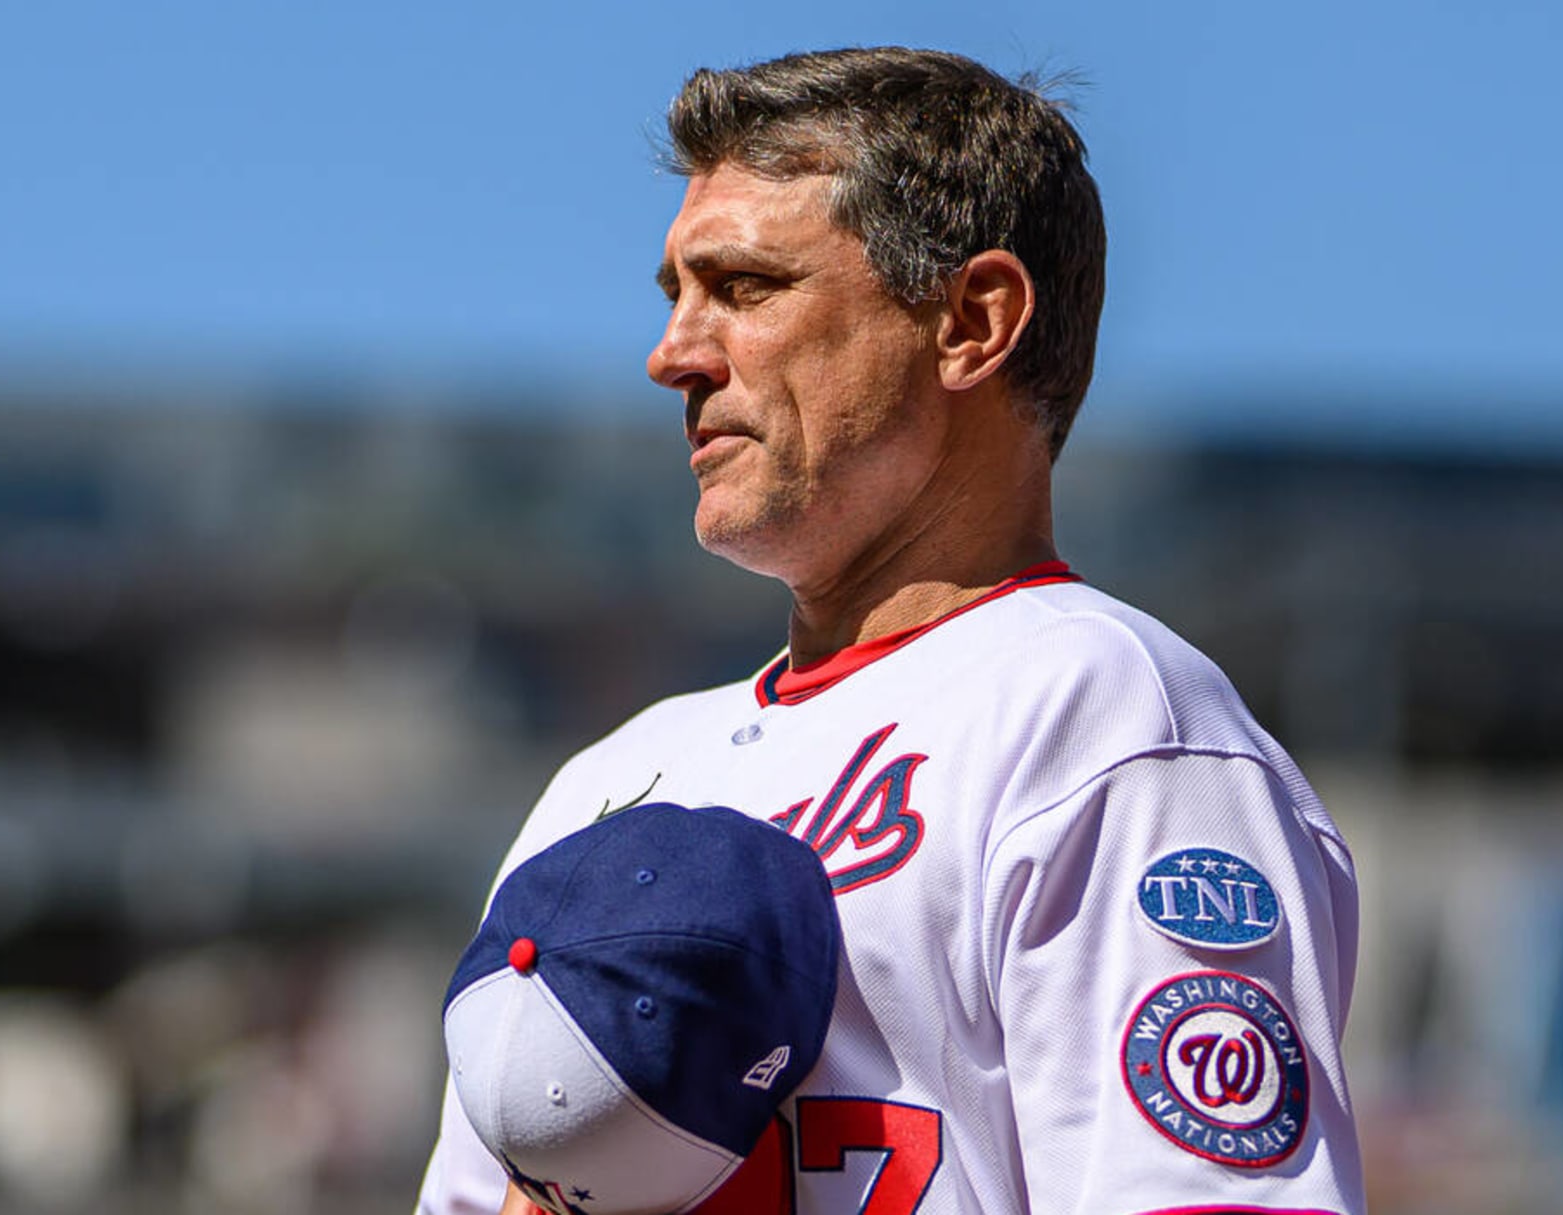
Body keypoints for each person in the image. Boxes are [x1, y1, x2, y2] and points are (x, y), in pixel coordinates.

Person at [416, 46, 1363, 1215]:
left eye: (746, 287)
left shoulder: (1109, 722)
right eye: (674, 294)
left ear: (971, 321)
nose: (674, 354)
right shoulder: (608, 783)